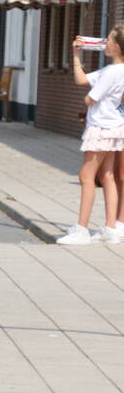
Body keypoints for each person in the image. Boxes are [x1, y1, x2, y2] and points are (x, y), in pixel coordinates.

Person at [59, 29, 124, 245]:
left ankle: (82, 230)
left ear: (117, 46)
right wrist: (76, 56)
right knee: (107, 176)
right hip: (114, 127)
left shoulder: (111, 72)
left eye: (110, 39)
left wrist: (91, 98)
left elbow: (90, 98)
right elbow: (81, 80)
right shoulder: (116, 70)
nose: (105, 42)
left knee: (86, 176)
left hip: (101, 128)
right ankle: (110, 228)